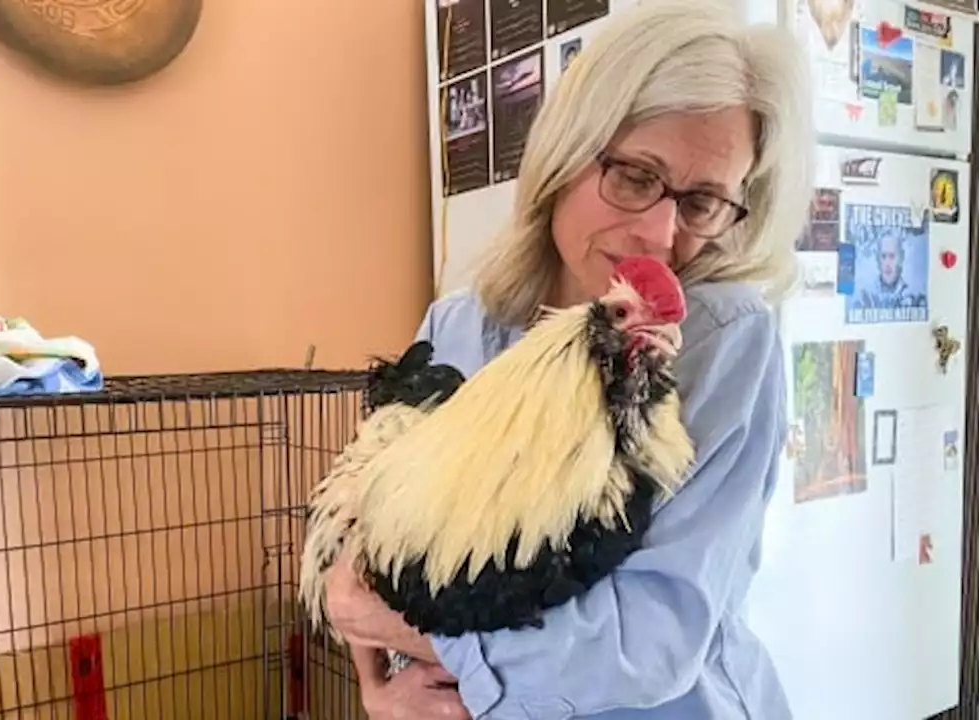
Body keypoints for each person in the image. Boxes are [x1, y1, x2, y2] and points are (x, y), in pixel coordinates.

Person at [322, 0, 815, 717]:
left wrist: (414, 628)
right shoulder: (459, 325)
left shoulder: (722, 341)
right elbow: (369, 553)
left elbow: (646, 645)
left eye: (704, 201)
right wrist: (378, 687)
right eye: (637, 176)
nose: (659, 233)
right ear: (565, 152)